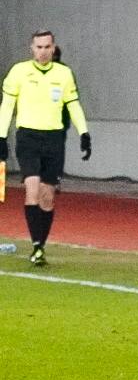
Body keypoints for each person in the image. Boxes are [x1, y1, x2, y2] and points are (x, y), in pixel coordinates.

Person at [0, 30, 91, 265]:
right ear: (32, 48)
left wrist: (84, 133)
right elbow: (7, 105)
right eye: (38, 47)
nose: (42, 51)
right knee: (32, 189)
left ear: (53, 48)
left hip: (53, 140)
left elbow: (73, 105)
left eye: (47, 47)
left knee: (47, 197)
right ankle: (36, 245)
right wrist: (1, 137)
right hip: (28, 137)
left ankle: (41, 243)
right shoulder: (19, 72)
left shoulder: (64, 74)